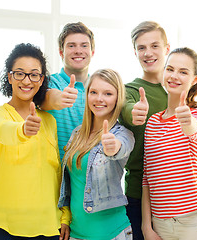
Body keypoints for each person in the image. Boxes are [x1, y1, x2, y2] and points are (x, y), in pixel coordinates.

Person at [118, 21, 197, 240]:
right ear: (135, 52)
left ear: (167, 49)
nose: (148, 53)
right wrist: (136, 112)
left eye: (154, 46)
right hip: (141, 198)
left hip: (187, 203)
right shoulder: (130, 91)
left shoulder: (181, 92)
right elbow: (127, 109)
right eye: (141, 48)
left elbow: (195, 153)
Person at [0, 43, 70, 240]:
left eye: (34, 74)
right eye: (20, 73)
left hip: (48, 228)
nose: (27, 80)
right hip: (2, 228)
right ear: (10, 77)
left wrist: (65, 216)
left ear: (41, 80)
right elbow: (2, 130)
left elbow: (55, 173)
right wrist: (22, 129)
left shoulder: (49, 120)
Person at [142, 47, 197, 240]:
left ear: (195, 79)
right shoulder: (152, 122)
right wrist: (146, 226)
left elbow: (194, 130)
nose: (174, 76)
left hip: (194, 222)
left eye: (183, 72)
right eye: (170, 69)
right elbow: (147, 178)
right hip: (160, 224)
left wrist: (186, 120)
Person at [58, 69, 135, 240]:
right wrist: (65, 219)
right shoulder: (77, 134)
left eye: (107, 93)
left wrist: (113, 147)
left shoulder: (122, 135)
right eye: (94, 92)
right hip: (76, 233)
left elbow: (121, 148)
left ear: (117, 98)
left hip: (112, 233)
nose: (99, 99)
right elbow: (72, 185)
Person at [40, 22, 95, 161]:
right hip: (56, 175)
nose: (78, 51)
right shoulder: (49, 82)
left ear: (92, 52)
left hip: (88, 177)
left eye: (84, 45)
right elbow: (46, 98)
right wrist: (60, 98)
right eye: (71, 45)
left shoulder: (99, 89)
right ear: (61, 52)